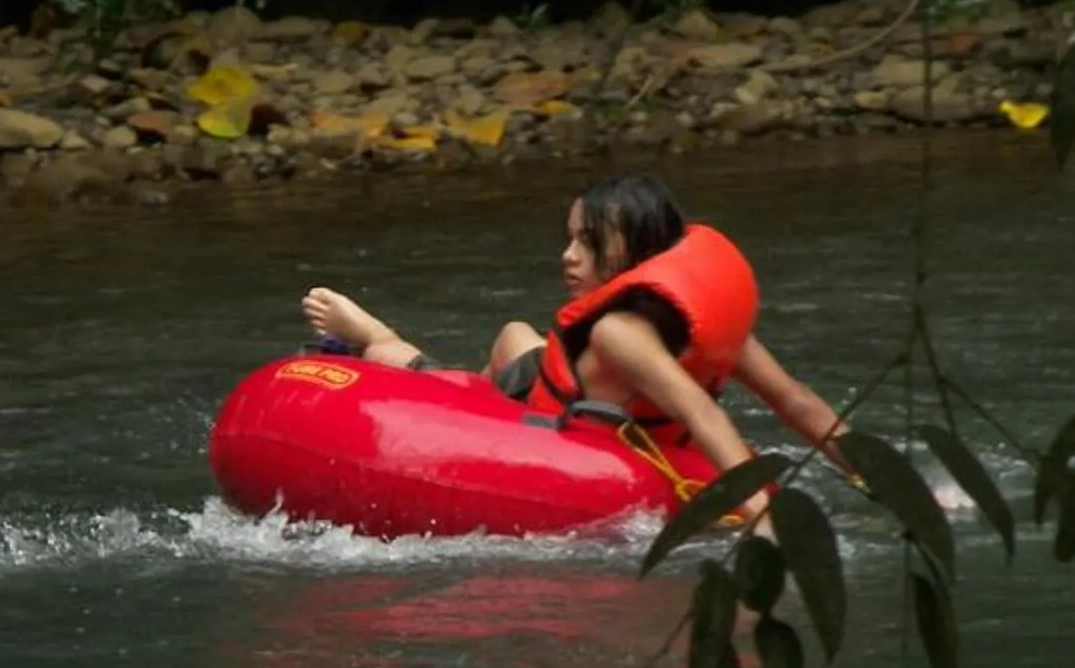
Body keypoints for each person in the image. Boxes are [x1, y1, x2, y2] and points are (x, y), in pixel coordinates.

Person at [299, 174, 848, 490]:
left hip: (581, 395)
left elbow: (795, 402)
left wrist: (888, 482)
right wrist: (765, 518)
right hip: (534, 394)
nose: (568, 257)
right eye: (570, 239)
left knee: (516, 342)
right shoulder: (617, 333)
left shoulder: (700, 324)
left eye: (588, 243)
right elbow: (705, 414)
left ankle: (394, 337)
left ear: (642, 251)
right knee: (449, 381)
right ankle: (373, 334)